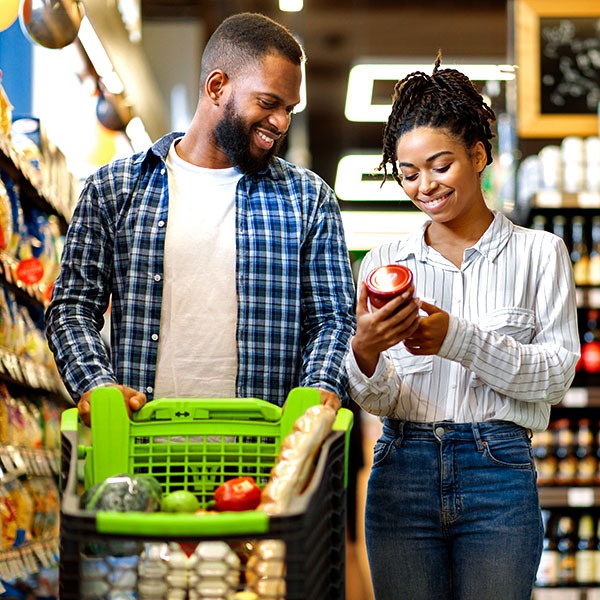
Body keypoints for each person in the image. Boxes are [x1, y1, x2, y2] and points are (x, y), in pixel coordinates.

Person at [45, 12, 356, 426]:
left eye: (289, 109)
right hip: (142, 452)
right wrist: (96, 385)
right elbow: (71, 308)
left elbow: (333, 320)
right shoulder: (114, 189)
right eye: (267, 103)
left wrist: (320, 387)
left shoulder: (309, 199)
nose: (281, 122)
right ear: (216, 87)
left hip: (267, 458)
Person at [346, 53, 580, 600]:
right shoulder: (383, 262)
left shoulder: (540, 254)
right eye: (408, 173)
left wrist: (459, 340)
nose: (424, 185)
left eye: (440, 165)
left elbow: (556, 376)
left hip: (498, 471)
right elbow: (375, 400)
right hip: (401, 466)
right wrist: (364, 353)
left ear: (478, 155)